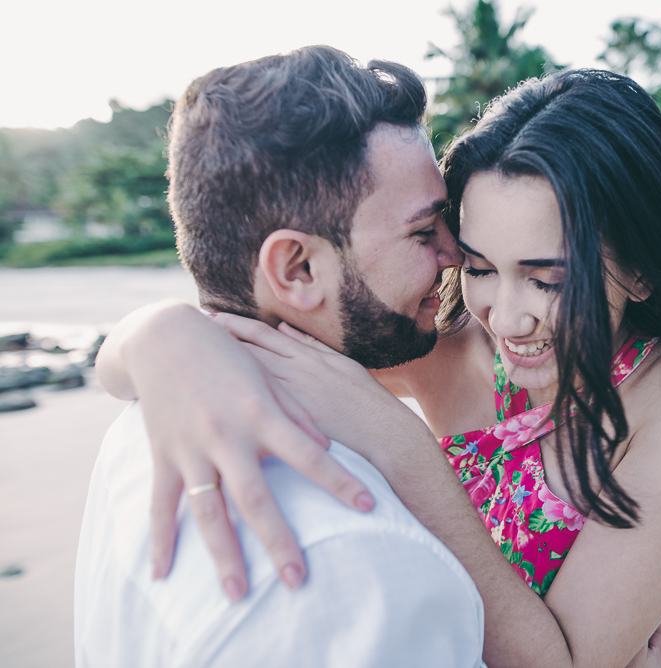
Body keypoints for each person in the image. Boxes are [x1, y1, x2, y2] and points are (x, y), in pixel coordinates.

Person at [100, 64, 661, 667]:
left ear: (644, 268)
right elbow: (252, 328)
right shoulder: (447, 341)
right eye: (477, 266)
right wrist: (158, 335)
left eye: (548, 280)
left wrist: (406, 453)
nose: (506, 316)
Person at [75, 46, 488, 668]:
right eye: (423, 231)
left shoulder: (142, 429)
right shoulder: (362, 566)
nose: (455, 255)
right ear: (296, 269)